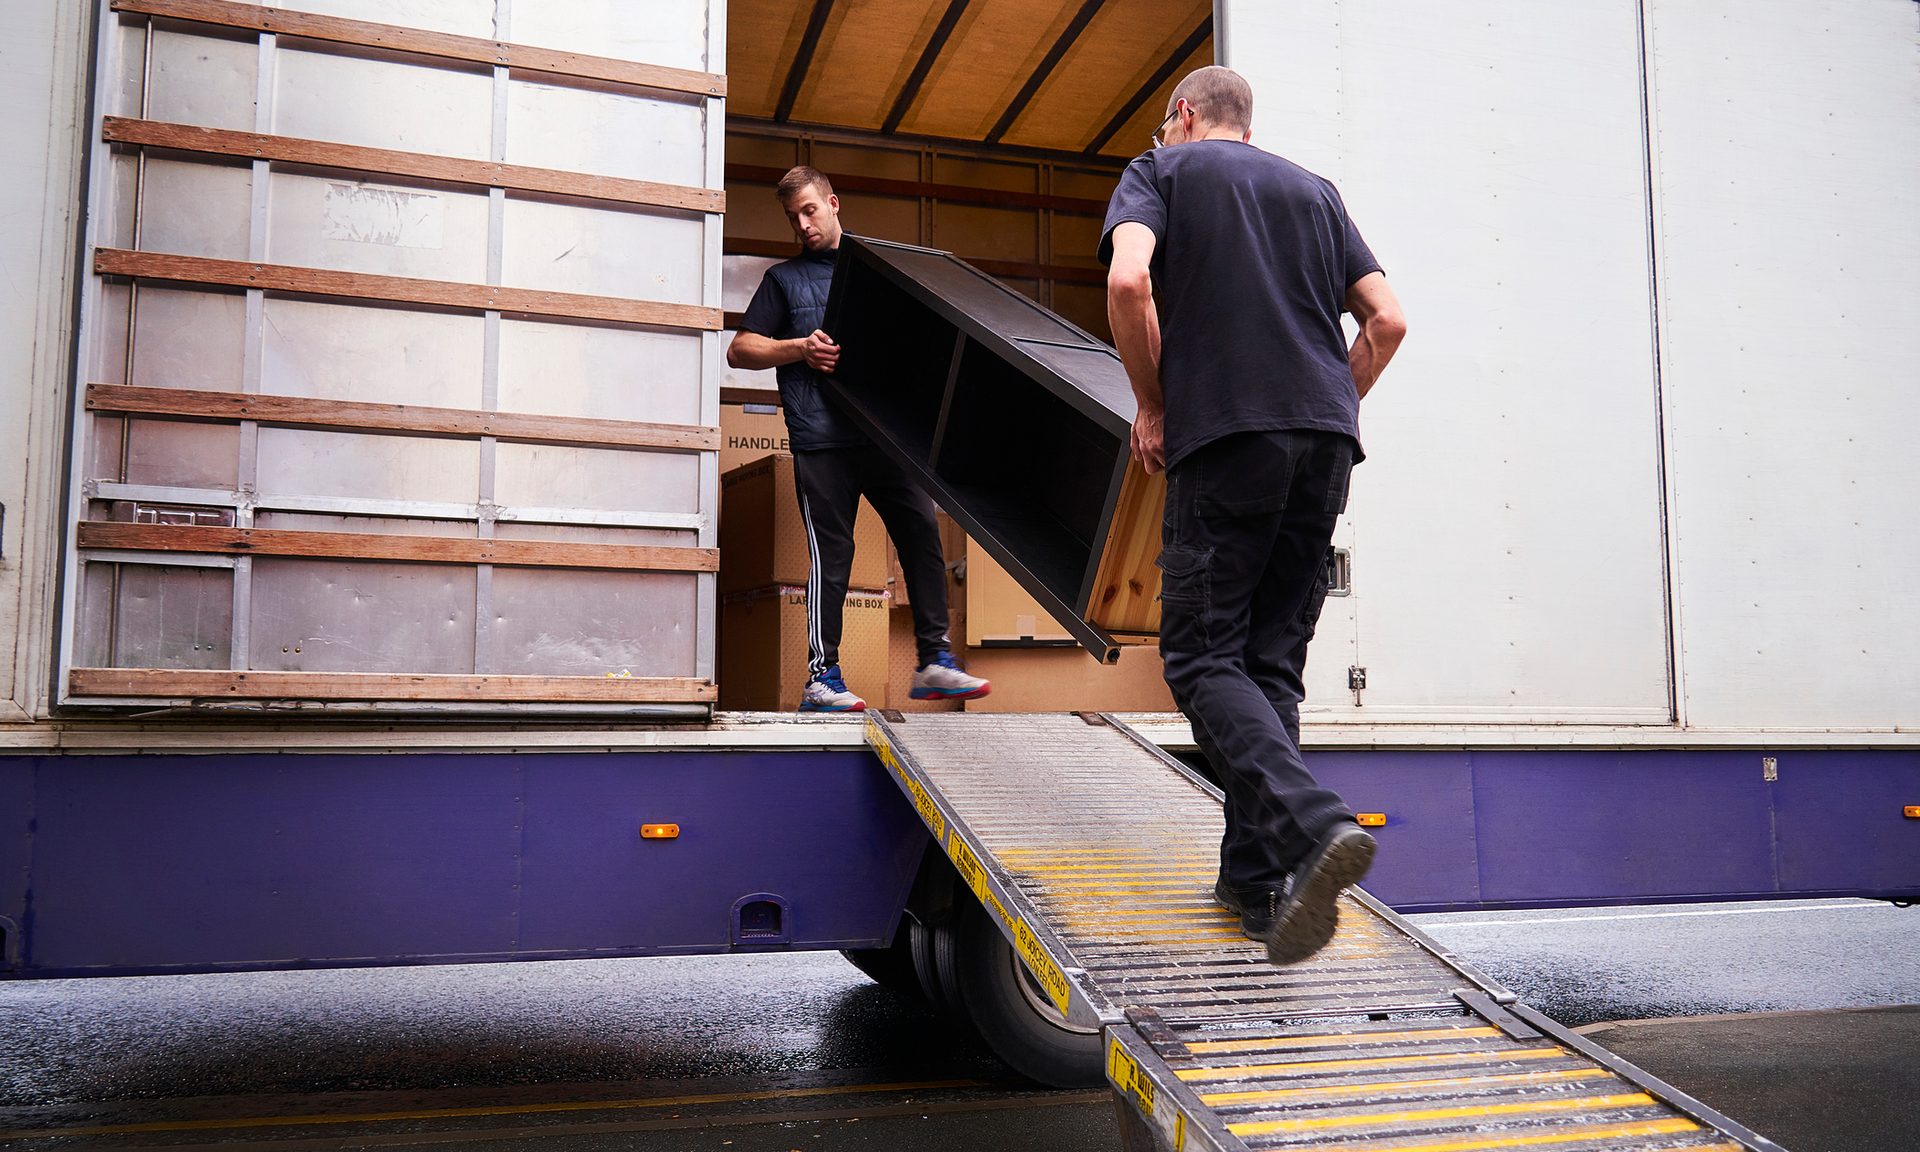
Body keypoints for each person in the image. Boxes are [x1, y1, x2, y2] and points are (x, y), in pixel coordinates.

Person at [1100, 67, 1407, 964]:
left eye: (1166, 124)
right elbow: (1386, 319)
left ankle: (1312, 828)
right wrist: (1330, 405)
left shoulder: (1160, 172)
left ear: (1184, 117)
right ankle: (1256, 884)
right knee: (1269, 668)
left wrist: (1154, 405)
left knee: (1200, 657)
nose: (1163, 135)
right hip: (1325, 444)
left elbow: (1128, 285)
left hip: (1228, 438)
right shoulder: (1316, 192)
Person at [727, 166, 990, 712]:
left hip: (886, 438)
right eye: (793, 217)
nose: (803, 225)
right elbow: (742, 349)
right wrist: (799, 347)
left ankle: (935, 662)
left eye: (810, 210)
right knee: (834, 554)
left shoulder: (878, 273)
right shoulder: (784, 281)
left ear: (834, 203)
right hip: (821, 441)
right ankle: (822, 679)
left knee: (921, 530)